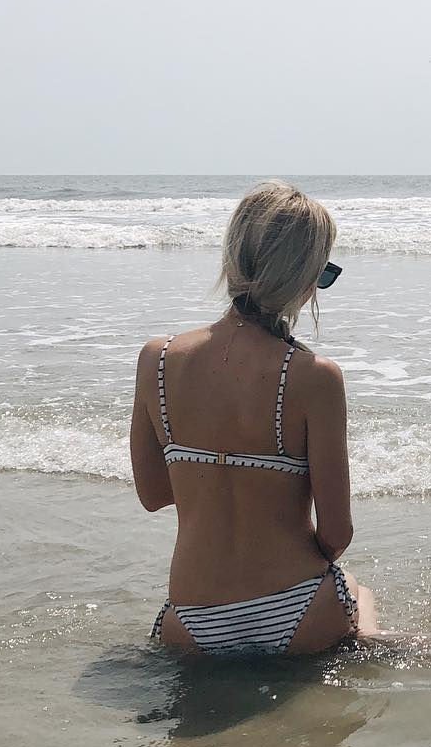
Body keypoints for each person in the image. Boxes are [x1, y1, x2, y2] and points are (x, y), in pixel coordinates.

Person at [129, 179, 378, 655]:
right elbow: (336, 533)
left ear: (232, 257)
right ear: (304, 279)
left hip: (194, 618)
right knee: (359, 593)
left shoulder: (157, 360)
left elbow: (154, 495)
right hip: (299, 609)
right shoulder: (313, 375)